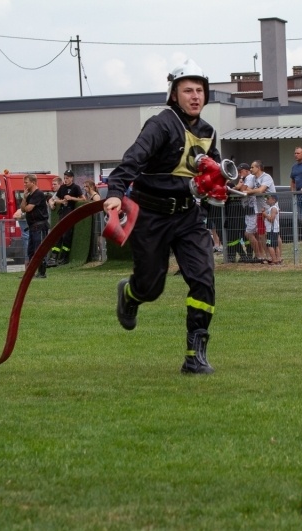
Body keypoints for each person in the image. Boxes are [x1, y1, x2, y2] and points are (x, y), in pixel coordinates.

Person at [103, 58, 217, 375]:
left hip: (188, 217)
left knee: (204, 280)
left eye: (200, 91)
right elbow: (132, 159)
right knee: (152, 288)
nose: (195, 96)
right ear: (174, 95)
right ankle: (130, 293)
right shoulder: (160, 124)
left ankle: (196, 354)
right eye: (187, 90)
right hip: (150, 214)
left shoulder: (208, 132)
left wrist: (222, 184)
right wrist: (114, 191)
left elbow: (216, 172)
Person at [47, 170, 85, 266]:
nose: (66, 180)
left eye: (67, 178)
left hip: (70, 212)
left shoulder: (76, 187)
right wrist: (62, 201)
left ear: (72, 178)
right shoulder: (62, 187)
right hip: (62, 212)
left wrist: (71, 198)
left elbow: (83, 199)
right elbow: (56, 199)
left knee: (66, 235)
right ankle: (54, 257)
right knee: (58, 234)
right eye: (64, 178)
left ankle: (64, 257)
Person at [20, 174, 49, 279]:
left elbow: (28, 209)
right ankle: (31, 273)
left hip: (39, 226)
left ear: (33, 182)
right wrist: (24, 198)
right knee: (31, 251)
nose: (25, 184)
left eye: (26, 182)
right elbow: (23, 208)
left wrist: (25, 204)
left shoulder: (38, 194)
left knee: (39, 249)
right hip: (32, 226)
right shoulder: (29, 195)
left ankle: (42, 272)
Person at [246, 160, 275, 263]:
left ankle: (278, 256)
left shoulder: (266, 177)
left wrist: (250, 191)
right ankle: (268, 256)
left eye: (252, 167)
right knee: (262, 234)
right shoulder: (253, 178)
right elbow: (247, 188)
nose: (250, 169)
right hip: (259, 210)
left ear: (258, 168)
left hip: (270, 209)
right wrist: (248, 190)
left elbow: (260, 190)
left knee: (274, 233)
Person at [224, 163, 250, 263]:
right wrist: (237, 187)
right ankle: (236, 255)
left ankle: (247, 255)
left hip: (237, 214)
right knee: (231, 237)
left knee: (241, 235)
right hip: (228, 214)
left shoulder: (231, 184)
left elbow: (236, 190)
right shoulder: (231, 185)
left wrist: (237, 187)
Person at [262, 194, 281, 264]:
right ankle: (278, 259)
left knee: (270, 245)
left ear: (273, 200)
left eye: (268, 199)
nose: (266, 200)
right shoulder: (271, 208)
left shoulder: (273, 208)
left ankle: (274, 259)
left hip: (271, 230)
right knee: (275, 245)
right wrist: (264, 214)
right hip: (273, 230)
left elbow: (272, 219)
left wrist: (265, 214)